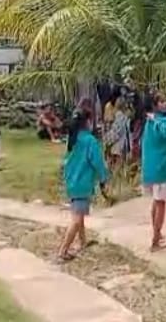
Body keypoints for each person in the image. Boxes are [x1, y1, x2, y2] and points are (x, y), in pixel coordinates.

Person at [58, 109, 111, 262]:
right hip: (82, 182)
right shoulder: (90, 140)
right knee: (76, 219)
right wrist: (104, 178)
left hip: (72, 181)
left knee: (78, 214)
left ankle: (83, 242)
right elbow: (98, 162)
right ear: (88, 122)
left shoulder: (73, 138)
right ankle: (63, 251)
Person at [141, 93, 166, 252]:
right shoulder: (158, 122)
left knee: (156, 201)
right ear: (155, 105)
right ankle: (155, 240)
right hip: (161, 168)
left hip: (153, 168)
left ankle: (157, 234)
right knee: (160, 203)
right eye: (161, 101)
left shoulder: (153, 120)